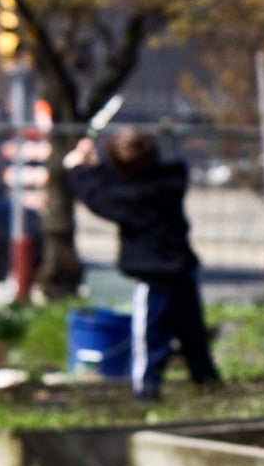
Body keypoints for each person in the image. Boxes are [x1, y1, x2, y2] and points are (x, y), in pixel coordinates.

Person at [65, 128, 221, 400]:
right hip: (183, 272)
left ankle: (147, 392)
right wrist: (98, 166)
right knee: (193, 337)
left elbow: (100, 196)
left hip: (156, 279)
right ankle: (207, 384)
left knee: (150, 340)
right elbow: (120, 185)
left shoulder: (131, 197)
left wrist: (77, 169)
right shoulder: (170, 179)